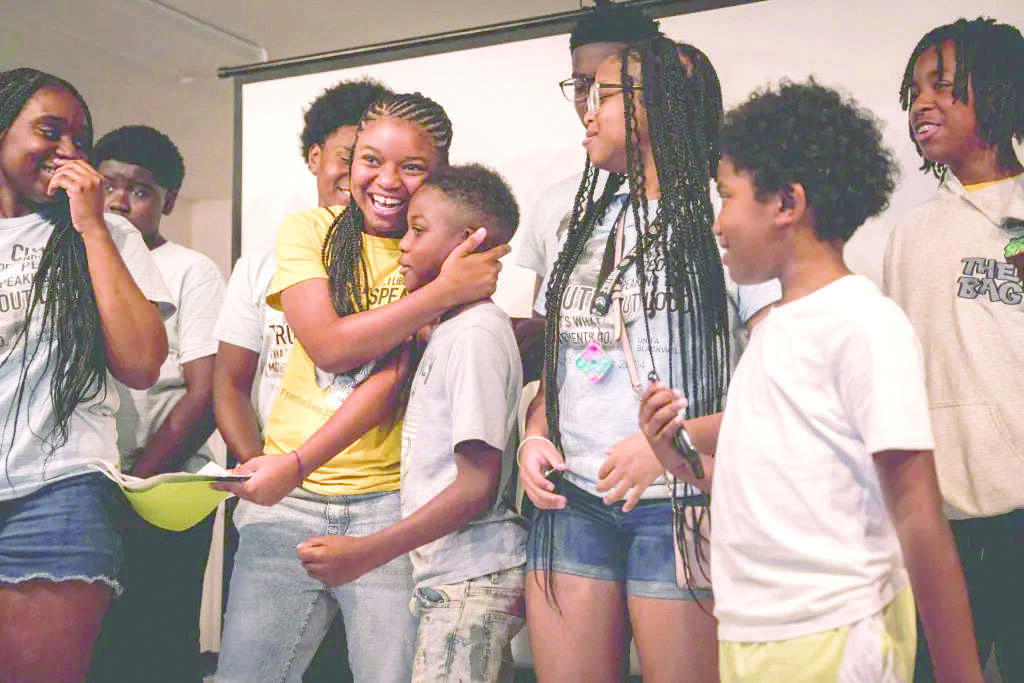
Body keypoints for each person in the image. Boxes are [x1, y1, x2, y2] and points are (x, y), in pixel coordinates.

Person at [640, 80, 984, 682]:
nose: (717, 222)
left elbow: (918, 514)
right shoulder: (776, 331)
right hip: (756, 635)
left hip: (834, 635)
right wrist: (678, 460)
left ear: (786, 204)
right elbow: (772, 494)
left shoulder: (862, 323)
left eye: (727, 196)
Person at [215, 92, 508, 683]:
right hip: (288, 501)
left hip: (389, 505)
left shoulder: (431, 248)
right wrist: (442, 292)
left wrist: (444, 288)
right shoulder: (310, 230)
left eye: (412, 167)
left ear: (440, 173)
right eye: (370, 159)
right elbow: (330, 346)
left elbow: (390, 381)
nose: (387, 181)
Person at [517, 36, 776, 682]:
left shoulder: (726, 216)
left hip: (680, 502)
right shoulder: (583, 217)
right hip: (571, 499)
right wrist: (536, 431)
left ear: (656, 104)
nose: (588, 108)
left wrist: (671, 447)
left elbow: (783, 383)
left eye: (604, 94)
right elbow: (571, 350)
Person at [297, 163, 527, 682]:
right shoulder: (448, 330)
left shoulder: (475, 336)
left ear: (468, 243)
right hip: (454, 578)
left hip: (470, 577)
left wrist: (367, 551)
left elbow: (476, 485)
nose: (403, 243)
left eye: (419, 230)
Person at [214, 79, 391, 682]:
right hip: (281, 496)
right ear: (315, 156)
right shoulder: (266, 259)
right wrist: (259, 469)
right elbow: (230, 383)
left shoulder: (411, 254)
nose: (364, 174)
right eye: (351, 156)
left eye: (379, 159)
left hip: (380, 499)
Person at [0, 68, 170, 682]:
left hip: (58, 492)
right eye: (50, 131)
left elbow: (142, 363)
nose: (68, 150)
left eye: (80, 140)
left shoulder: (109, 232)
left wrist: (93, 225)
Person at [884, 17, 1024, 681]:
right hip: (937, 518)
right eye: (914, 90)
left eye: (943, 85)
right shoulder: (911, 233)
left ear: (998, 92)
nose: (922, 103)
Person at [82, 124, 224, 683]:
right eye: (109, 185)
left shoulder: (191, 269)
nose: (120, 201)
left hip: (167, 488)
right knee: (92, 645)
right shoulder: (76, 258)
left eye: (140, 191)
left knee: (160, 642)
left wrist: (138, 483)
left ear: (168, 201)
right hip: (89, 483)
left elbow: (205, 393)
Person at [517, 0, 660, 303]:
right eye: (582, 86)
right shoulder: (555, 202)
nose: (592, 103)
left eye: (607, 88)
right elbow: (546, 319)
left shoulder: (714, 203)